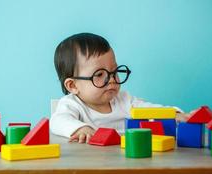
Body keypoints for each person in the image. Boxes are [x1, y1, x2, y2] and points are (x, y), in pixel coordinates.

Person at [50, 33, 189, 143]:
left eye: (114, 72)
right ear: (73, 85)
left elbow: (149, 110)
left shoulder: (124, 100)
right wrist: (81, 128)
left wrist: (174, 115)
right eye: (99, 74)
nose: (111, 79)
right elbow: (57, 121)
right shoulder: (72, 104)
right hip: (92, 164)